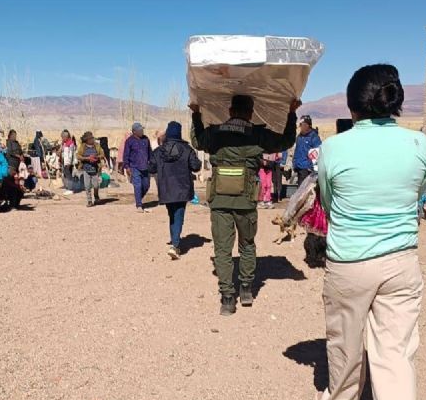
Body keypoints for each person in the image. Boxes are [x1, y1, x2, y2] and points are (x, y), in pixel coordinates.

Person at [312, 64, 426, 400]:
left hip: (349, 262)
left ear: (352, 108)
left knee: (345, 341)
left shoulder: (333, 148)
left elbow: (329, 202)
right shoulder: (419, 143)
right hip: (401, 261)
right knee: (395, 351)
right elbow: (419, 194)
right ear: (394, 103)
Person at [190, 94, 301, 315]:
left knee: (222, 249)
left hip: (220, 200)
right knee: (247, 244)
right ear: (251, 113)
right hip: (246, 201)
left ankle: (228, 298)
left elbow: (197, 141)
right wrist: (290, 113)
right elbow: (286, 141)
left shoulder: (215, 133)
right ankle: (247, 289)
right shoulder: (258, 134)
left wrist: (196, 114)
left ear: (230, 111)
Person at [149, 121, 202, 260]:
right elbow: (196, 166)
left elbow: (151, 168)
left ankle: (175, 241)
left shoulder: (159, 151)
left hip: (166, 188)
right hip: (182, 188)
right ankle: (175, 244)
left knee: (172, 215)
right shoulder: (187, 149)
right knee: (178, 215)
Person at [122, 122, 153, 213]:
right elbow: (126, 155)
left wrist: (152, 162)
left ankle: (138, 198)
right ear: (134, 131)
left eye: (142, 129)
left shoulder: (146, 139)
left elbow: (149, 152)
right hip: (134, 167)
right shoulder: (129, 141)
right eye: (140, 130)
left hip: (145, 167)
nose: (142, 131)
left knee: (146, 185)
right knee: (137, 185)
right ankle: (139, 205)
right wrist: (127, 167)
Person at [76, 131, 106, 207]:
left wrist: (96, 157)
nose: (92, 140)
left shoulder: (97, 146)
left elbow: (102, 154)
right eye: (91, 139)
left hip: (95, 169)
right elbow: (78, 156)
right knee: (87, 186)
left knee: (96, 185)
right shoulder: (82, 147)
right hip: (86, 169)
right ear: (87, 140)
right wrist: (87, 158)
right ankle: (89, 201)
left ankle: (96, 196)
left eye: (92, 138)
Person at [292, 115, 322, 185]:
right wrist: (294, 162)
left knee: (305, 190)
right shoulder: (300, 137)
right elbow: (297, 150)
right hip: (299, 166)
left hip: (308, 169)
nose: (300, 126)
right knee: (300, 188)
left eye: (301, 124)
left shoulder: (314, 137)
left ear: (307, 125)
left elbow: (317, 152)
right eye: (300, 124)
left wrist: (311, 166)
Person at [59, 130, 77, 195]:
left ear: (66, 137)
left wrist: (69, 163)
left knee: (69, 175)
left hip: (69, 163)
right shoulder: (65, 143)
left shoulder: (70, 143)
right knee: (66, 175)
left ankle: (70, 189)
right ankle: (68, 187)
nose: (62, 139)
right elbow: (63, 152)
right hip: (65, 161)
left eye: (63, 137)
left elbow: (71, 154)